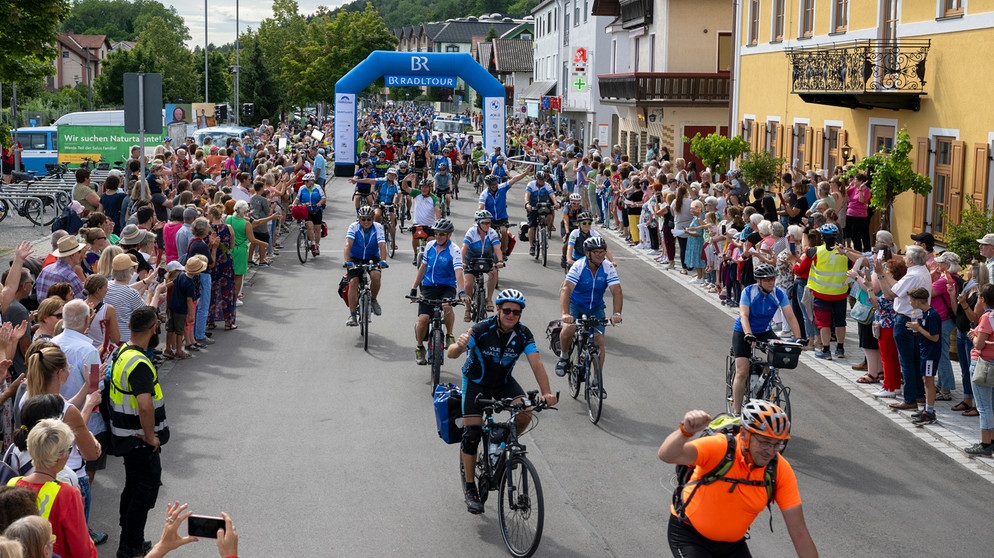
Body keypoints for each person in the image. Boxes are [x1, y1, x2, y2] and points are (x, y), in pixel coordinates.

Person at [658, 401, 818, 558]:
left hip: (733, 546)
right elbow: (667, 455)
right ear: (744, 433)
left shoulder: (778, 470)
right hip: (689, 537)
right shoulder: (719, 448)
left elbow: (799, 532)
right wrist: (685, 431)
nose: (770, 451)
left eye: (777, 445)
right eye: (765, 442)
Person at [446, 289, 557, 514]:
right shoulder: (481, 329)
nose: (511, 315)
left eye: (516, 312)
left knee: (527, 411)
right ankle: (470, 488)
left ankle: (500, 444)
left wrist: (547, 392)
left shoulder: (524, 334)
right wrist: (459, 346)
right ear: (497, 309)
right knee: (472, 434)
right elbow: (451, 354)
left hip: (503, 382)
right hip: (476, 382)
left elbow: (536, 363)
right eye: (506, 310)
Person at [107, 306, 169, 558]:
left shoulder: (122, 351)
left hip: (125, 436)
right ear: (153, 328)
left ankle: (131, 540)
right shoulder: (140, 363)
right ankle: (130, 547)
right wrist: (150, 436)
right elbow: (144, 405)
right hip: (138, 440)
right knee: (144, 492)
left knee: (133, 489)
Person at [6, 419, 98, 558]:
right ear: (60, 455)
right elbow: (82, 552)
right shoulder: (67, 494)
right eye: (69, 449)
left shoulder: (12, 484)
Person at [729, 263, 802, 414]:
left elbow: (790, 316)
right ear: (759, 281)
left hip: (764, 331)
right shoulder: (749, 292)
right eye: (767, 279)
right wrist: (749, 334)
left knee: (776, 359)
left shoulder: (778, 293)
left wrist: (799, 338)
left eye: (773, 279)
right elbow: (744, 315)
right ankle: (736, 413)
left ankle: (763, 383)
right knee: (742, 371)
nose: (771, 282)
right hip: (744, 330)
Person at [555, 236, 624, 387]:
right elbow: (566, 289)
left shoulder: (608, 267)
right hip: (576, 304)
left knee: (599, 341)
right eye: (596, 252)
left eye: (602, 251)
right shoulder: (578, 266)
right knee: (569, 328)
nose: (600, 255)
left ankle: (597, 380)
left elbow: (616, 291)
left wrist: (616, 314)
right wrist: (566, 314)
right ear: (588, 253)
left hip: (596, 307)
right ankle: (564, 356)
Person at [875, 245, 933, 411]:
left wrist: (880, 274)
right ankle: (918, 394)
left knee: (906, 360)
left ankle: (910, 398)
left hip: (905, 318)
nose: (903, 257)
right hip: (916, 318)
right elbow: (897, 287)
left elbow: (891, 293)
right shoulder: (922, 271)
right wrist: (884, 274)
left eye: (906, 255)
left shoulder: (913, 274)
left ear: (911, 260)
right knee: (915, 359)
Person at [410, 218, 465, 365]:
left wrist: (462, 291)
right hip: (428, 286)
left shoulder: (454, 250)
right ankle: (420, 347)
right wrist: (414, 287)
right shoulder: (429, 246)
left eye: (442, 234)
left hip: (447, 286)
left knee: (447, 305)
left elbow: (458, 271)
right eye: (436, 233)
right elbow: (423, 268)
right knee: (423, 319)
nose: (439, 236)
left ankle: (449, 334)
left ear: (449, 235)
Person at [344, 206, 389, 327]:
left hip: (372, 256)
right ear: (359, 219)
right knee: (353, 282)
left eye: (369, 219)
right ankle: (353, 315)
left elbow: (382, 245)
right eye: (363, 219)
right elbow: (348, 244)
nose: (366, 222)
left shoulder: (378, 227)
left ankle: (373, 299)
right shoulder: (353, 227)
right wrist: (348, 261)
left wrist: (383, 260)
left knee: (376, 276)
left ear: (373, 218)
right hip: (355, 257)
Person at [906, 287, 941, 425]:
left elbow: (935, 337)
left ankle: (930, 412)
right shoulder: (925, 314)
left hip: (931, 353)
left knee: (929, 381)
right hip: (925, 351)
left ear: (917, 301)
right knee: (925, 379)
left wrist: (919, 328)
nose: (910, 303)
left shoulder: (932, 315)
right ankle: (927, 408)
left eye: (911, 300)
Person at [461, 210, 504, 322]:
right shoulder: (471, 232)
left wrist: (500, 260)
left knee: (494, 273)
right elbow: (464, 248)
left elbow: (497, 248)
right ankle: (467, 308)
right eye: (484, 223)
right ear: (478, 223)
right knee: (468, 284)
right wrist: (462, 262)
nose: (487, 225)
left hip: (486, 259)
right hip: (471, 261)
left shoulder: (492, 233)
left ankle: (489, 299)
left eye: (489, 223)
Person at [478, 172, 528, 257]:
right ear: (488, 185)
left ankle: (504, 252)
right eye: (492, 185)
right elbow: (481, 207)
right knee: (484, 234)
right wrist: (480, 217)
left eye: (495, 183)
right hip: (490, 219)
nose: (494, 186)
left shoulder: (502, 188)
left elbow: (514, 179)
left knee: (504, 231)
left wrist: (525, 172)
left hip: (502, 218)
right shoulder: (484, 194)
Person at [34, 236, 85, 303]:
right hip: (63, 312)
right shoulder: (70, 276)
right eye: (79, 252)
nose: (81, 255)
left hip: (44, 311)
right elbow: (83, 300)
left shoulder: (45, 270)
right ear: (72, 255)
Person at [403, 179, 441, 266]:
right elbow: (405, 187)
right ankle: (416, 255)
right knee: (415, 238)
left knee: (431, 242)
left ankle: (431, 258)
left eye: (426, 187)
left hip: (430, 226)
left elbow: (437, 209)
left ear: (430, 188)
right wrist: (405, 179)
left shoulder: (434, 198)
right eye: (422, 187)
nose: (424, 189)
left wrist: (438, 221)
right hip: (418, 224)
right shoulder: (417, 193)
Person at [524, 171, 560, 257]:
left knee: (550, 214)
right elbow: (527, 195)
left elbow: (552, 195)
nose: (541, 181)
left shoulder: (547, 185)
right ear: (536, 179)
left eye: (543, 179)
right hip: (533, 206)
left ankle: (545, 228)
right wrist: (527, 204)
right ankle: (532, 246)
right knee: (532, 226)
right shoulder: (531, 184)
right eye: (539, 179)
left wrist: (555, 203)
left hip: (544, 206)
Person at [294, 173, 326, 256]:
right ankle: (313, 244)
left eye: (307, 181)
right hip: (307, 211)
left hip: (317, 210)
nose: (305, 183)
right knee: (309, 226)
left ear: (312, 181)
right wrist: (293, 205)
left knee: (317, 229)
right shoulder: (302, 188)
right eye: (304, 181)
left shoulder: (318, 187)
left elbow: (323, 198)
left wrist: (319, 203)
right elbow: (297, 199)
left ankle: (317, 245)